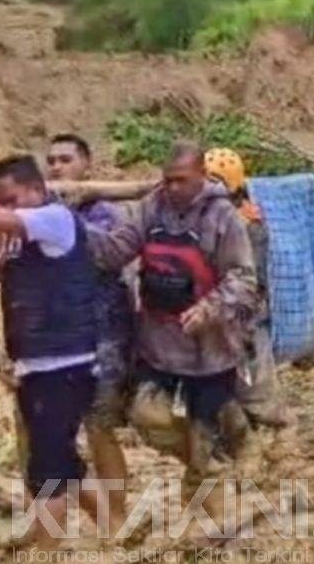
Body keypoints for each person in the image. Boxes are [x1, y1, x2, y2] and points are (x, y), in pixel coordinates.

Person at [85, 141, 258, 490]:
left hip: (209, 347)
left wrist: (209, 309)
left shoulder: (224, 217)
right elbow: (117, 250)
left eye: (181, 180)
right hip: (159, 342)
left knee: (203, 432)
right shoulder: (151, 207)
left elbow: (244, 279)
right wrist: (74, 232)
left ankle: (223, 459)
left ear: (201, 176)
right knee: (145, 416)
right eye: (168, 180)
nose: (173, 188)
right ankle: (212, 459)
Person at [0, 155, 101, 544]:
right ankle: (116, 524)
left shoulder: (53, 217)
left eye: (14, 198)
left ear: (35, 189)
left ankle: (47, 557)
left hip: (64, 362)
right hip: (37, 363)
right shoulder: (19, 228)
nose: (10, 207)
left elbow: (8, 221)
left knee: (48, 464)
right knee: (59, 456)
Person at [45, 134, 132, 532]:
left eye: (65, 160)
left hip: (104, 339)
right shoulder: (43, 213)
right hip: (58, 341)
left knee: (100, 428)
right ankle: (53, 523)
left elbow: (111, 255)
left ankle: (117, 518)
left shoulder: (107, 214)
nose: (57, 167)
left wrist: (70, 218)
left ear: (86, 166)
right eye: (51, 161)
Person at [204, 147, 291, 429]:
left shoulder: (249, 225)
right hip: (213, 314)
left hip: (243, 316)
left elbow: (252, 278)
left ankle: (280, 437)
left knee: (254, 390)